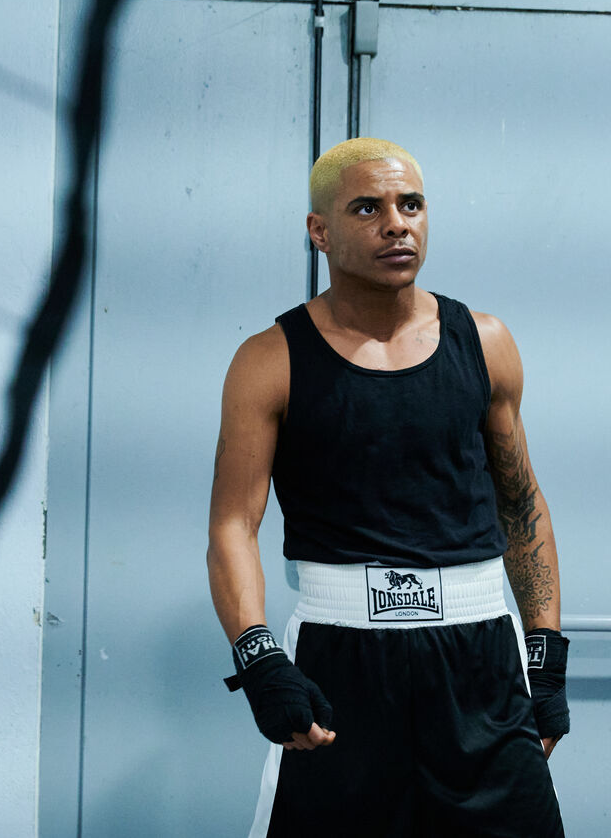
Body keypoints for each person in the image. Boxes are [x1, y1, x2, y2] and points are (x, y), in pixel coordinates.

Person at [207, 137, 569, 836]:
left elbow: (521, 505)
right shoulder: (269, 361)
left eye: (411, 205)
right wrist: (259, 658)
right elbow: (232, 526)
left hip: (481, 660)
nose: (396, 224)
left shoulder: (485, 341)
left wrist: (546, 655)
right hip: (340, 663)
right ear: (320, 231)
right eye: (367, 209)